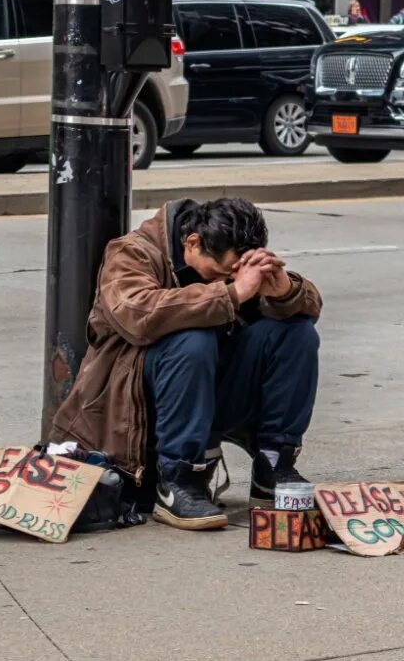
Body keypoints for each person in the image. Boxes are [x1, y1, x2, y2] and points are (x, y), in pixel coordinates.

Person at [49, 199, 322, 531]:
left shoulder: (228, 258)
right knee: (194, 338)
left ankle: (273, 466)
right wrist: (233, 293)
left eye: (236, 273)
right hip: (139, 405)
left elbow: (304, 305)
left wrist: (284, 291)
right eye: (222, 273)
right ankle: (178, 480)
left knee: (296, 331)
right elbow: (138, 314)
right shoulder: (132, 252)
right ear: (191, 242)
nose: (229, 279)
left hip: (206, 392)